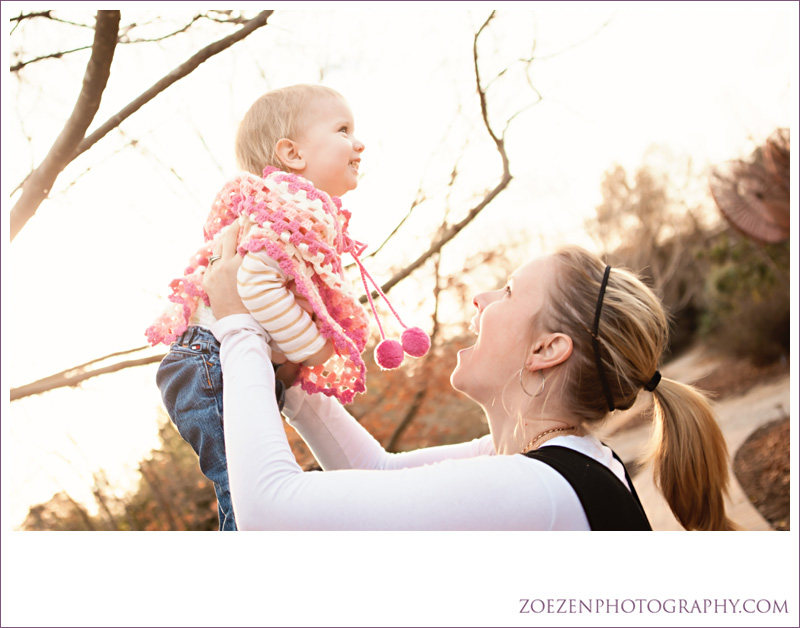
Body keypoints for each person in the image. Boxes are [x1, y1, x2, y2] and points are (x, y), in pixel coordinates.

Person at [204, 225, 740, 531]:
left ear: (547, 349)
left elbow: (269, 510)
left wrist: (237, 328)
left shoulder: (533, 488)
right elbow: (374, 470)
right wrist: (295, 382)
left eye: (507, 292)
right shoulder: (544, 461)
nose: (482, 298)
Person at [146, 84, 428, 530]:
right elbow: (256, 284)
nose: (359, 142)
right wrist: (314, 349)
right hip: (211, 363)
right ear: (292, 154)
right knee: (247, 496)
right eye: (342, 129)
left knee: (253, 486)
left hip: (223, 362)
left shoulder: (296, 211)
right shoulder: (287, 211)